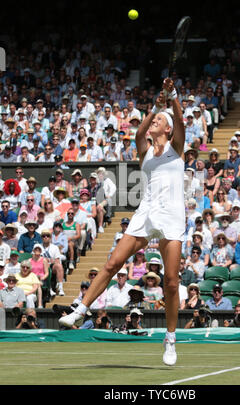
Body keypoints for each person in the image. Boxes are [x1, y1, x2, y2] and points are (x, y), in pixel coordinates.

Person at [59, 78, 185, 366]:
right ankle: (81, 310)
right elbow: (140, 131)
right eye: (155, 120)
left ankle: (170, 337)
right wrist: (156, 106)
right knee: (113, 263)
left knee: (171, 281)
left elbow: (179, 120)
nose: (154, 123)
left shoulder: (176, 147)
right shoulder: (145, 151)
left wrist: (173, 96)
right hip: (147, 212)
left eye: (160, 121)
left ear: (167, 129)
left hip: (172, 216)